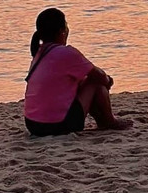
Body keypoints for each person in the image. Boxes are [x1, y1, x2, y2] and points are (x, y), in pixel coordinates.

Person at [23, 7, 132, 137]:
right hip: (58, 125)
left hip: (33, 125)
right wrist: (108, 81)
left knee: (87, 82)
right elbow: (99, 76)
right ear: (61, 31)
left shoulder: (39, 53)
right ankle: (109, 121)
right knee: (95, 83)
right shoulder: (66, 53)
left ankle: (105, 120)